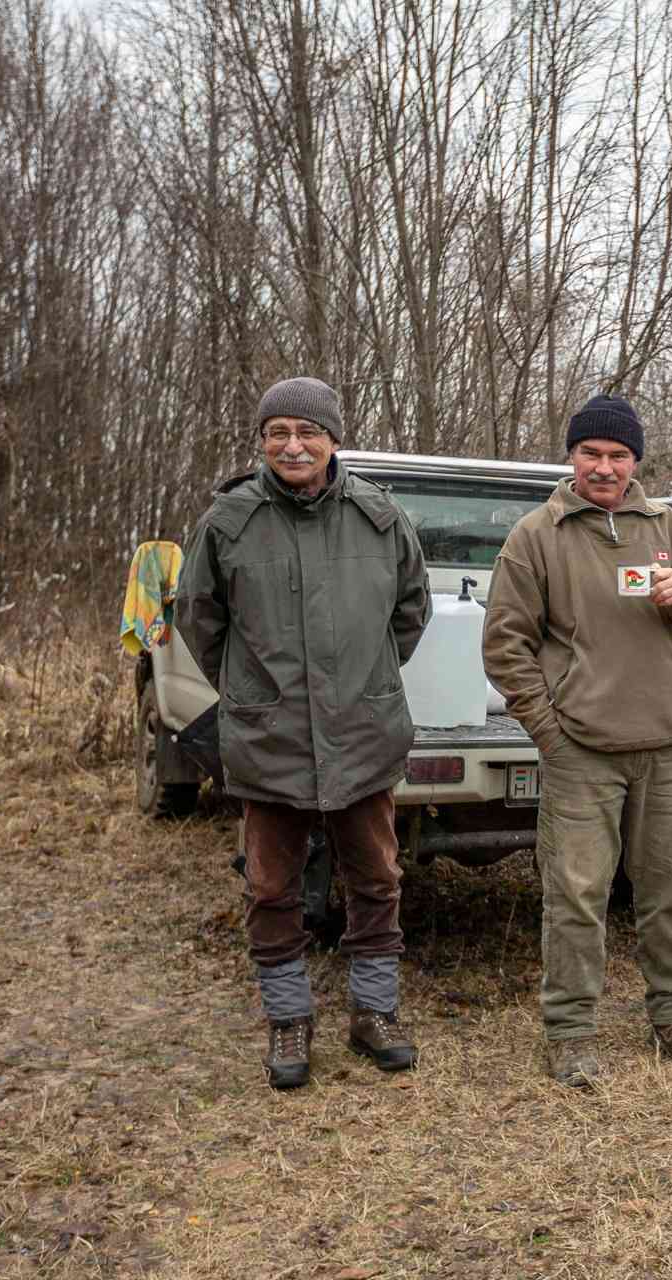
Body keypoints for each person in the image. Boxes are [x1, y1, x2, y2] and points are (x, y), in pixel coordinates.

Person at [176, 376, 433, 1090]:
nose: (293, 446)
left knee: (376, 878)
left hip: (363, 732)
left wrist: (364, 678)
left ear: (333, 439)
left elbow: (410, 611)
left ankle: (374, 1012)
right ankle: (288, 1018)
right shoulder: (228, 521)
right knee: (270, 887)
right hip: (271, 738)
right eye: (278, 433)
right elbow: (199, 618)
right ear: (262, 442)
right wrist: (252, 690)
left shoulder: (379, 517)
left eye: (307, 432)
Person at [482, 394, 672, 1087]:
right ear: (572, 456)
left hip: (664, 746)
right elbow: (505, 646)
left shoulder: (671, 526)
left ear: (635, 461)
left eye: (618, 455)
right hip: (581, 753)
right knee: (576, 895)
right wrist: (551, 732)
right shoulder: (537, 536)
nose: (603, 467)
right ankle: (570, 1031)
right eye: (590, 453)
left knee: (669, 890)